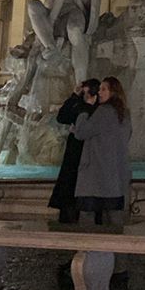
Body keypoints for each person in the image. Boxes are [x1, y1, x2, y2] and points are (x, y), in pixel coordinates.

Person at [73, 76, 132, 230]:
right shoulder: (124, 115)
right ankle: (117, 252)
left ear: (113, 92)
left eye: (103, 89)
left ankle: (88, 251)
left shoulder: (104, 111)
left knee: (88, 217)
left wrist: (84, 110)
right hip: (114, 175)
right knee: (114, 218)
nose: (99, 92)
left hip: (95, 174)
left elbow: (82, 132)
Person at [48, 78, 100, 223]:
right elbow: (62, 117)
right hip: (75, 152)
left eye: (85, 92)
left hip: (83, 152)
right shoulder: (80, 106)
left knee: (72, 186)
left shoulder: (94, 110)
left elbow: (64, 117)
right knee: (70, 186)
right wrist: (74, 96)